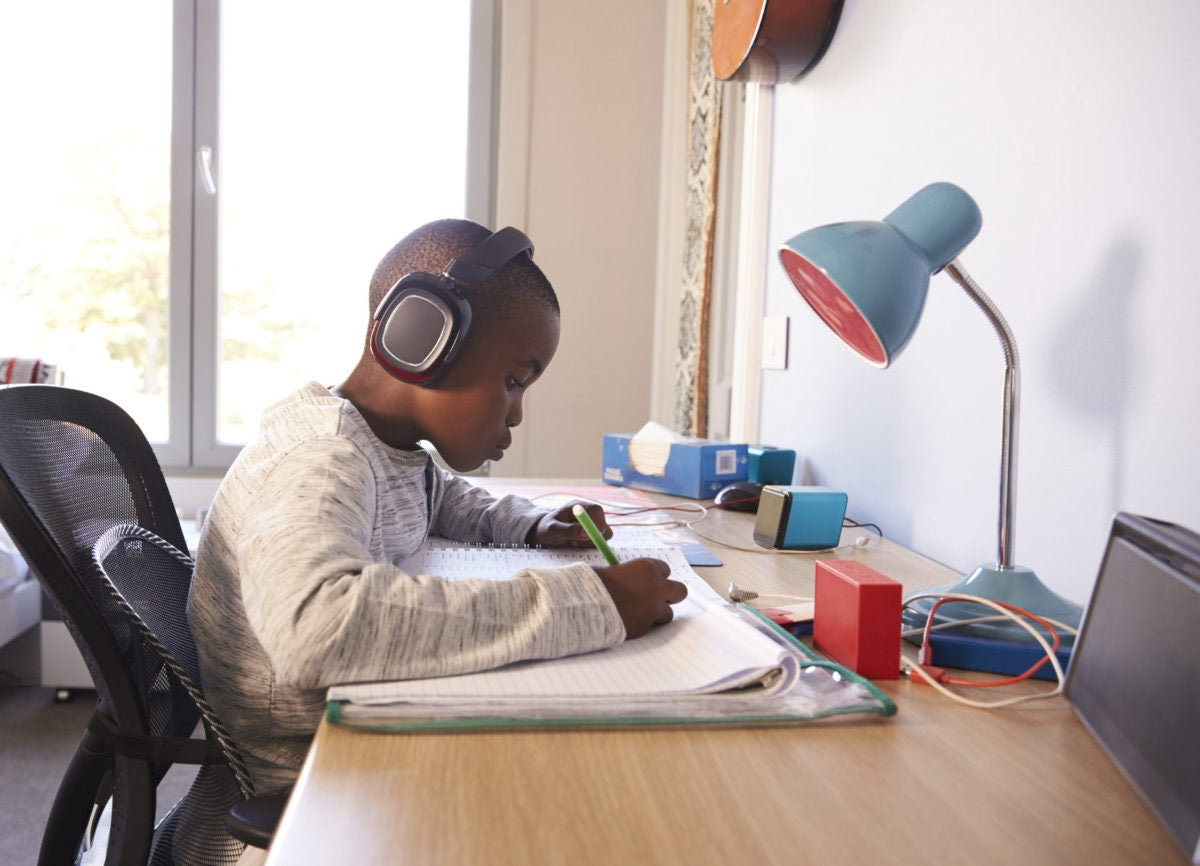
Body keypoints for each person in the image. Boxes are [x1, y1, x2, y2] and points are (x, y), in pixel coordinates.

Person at [188, 218, 687, 805]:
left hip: (362, 756)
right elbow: (316, 627)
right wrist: (595, 601)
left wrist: (528, 523)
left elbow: (438, 498)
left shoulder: (380, 448)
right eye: (513, 381)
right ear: (421, 339)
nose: (517, 414)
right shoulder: (320, 458)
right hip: (308, 803)